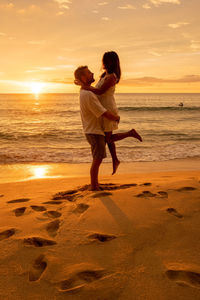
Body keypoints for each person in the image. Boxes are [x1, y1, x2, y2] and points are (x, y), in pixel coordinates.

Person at [74, 65, 142, 191]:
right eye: (89, 73)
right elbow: (102, 112)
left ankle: (96, 182)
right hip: (94, 131)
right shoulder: (88, 94)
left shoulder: (86, 91)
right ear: (83, 77)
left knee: (103, 149)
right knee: (97, 160)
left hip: (94, 130)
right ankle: (94, 186)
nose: (92, 73)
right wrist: (115, 118)